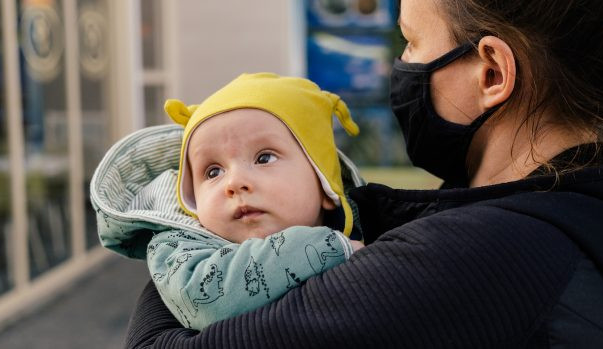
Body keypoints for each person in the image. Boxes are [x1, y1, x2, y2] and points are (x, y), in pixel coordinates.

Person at [124, 0, 603, 347]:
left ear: (492, 74)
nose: (401, 65)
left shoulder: (481, 253)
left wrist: (180, 236)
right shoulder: (550, 201)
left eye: (411, 42)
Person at [91, 72, 365, 331]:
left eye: (264, 158)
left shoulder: (375, 228)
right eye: (213, 172)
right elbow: (205, 298)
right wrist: (329, 247)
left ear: (324, 186)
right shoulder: (177, 248)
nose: (234, 183)